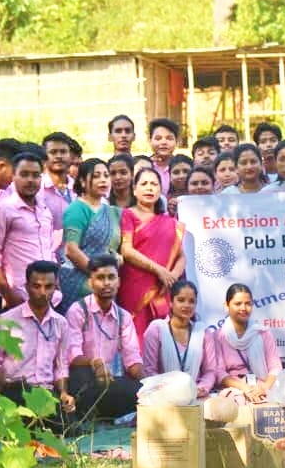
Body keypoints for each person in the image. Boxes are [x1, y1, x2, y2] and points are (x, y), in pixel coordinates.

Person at [0, 261, 76, 419]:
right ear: (27, 287)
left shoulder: (61, 323)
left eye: (48, 287)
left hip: (45, 394)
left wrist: (63, 394)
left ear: (56, 288)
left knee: (67, 424)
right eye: (36, 286)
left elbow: (61, 366)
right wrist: (1, 381)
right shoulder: (6, 319)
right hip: (14, 392)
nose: (42, 292)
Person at [66, 255, 144, 420]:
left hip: (107, 382)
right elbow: (72, 356)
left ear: (119, 282)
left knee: (141, 392)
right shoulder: (78, 310)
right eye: (101, 278)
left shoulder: (123, 316)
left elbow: (132, 359)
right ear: (90, 282)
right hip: (83, 379)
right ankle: (85, 416)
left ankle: (100, 415)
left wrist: (148, 384)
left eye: (111, 277)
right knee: (82, 377)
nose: (107, 283)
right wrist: (95, 362)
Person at [118, 167, 186, 343]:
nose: (149, 188)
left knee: (163, 339)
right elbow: (126, 250)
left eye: (154, 184)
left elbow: (181, 256)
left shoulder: (170, 222)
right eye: (144, 184)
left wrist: (171, 276)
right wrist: (159, 270)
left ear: (161, 189)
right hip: (135, 287)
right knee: (136, 337)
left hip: (164, 287)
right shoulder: (128, 214)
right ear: (134, 189)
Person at [0, 152, 56, 309]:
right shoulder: (3, 209)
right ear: (13, 176)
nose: (30, 180)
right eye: (24, 174)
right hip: (16, 299)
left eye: (35, 175)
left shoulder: (44, 210)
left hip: (49, 299)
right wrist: (9, 295)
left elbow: (50, 251)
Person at [59, 158, 122, 313]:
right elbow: (71, 250)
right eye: (96, 176)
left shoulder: (110, 210)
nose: (103, 180)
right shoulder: (77, 209)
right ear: (82, 180)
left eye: (106, 175)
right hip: (80, 282)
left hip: (105, 285)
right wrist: (98, 276)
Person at [141, 280, 220, 399]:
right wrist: (169, 390)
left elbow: (210, 371)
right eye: (181, 300)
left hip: (195, 395)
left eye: (192, 301)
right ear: (171, 302)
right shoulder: (156, 329)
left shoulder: (203, 332)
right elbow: (149, 370)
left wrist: (201, 388)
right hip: (163, 396)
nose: (187, 305)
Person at [211, 284, 283, 404]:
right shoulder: (218, 337)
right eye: (238, 304)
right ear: (226, 306)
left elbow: (275, 367)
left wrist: (265, 387)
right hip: (234, 390)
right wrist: (244, 388)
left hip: (261, 388)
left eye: (248, 303)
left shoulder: (263, 334)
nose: (243, 308)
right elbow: (219, 372)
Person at [39, 132, 75, 253]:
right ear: (44, 157)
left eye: (63, 152)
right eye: (53, 152)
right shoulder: (36, 189)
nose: (58, 156)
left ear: (71, 156)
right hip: (46, 260)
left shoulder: (79, 189)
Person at [149, 118, 180, 194]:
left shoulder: (182, 166)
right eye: (158, 138)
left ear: (177, 141)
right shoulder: (144, 165)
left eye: (169, 138)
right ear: (150, 140)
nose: (163, 142)